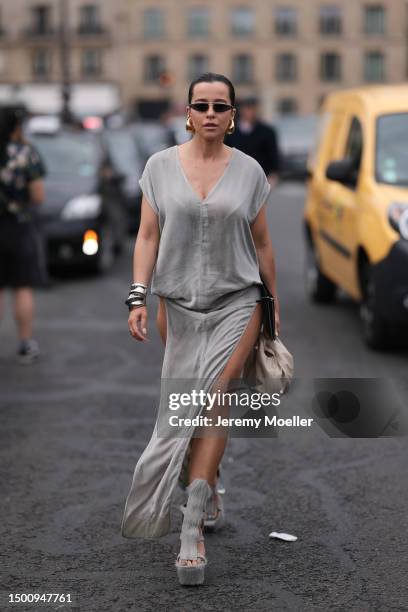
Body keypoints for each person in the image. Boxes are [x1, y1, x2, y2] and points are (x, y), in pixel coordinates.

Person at [121, 72, 280, 586]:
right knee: (188, 403)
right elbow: (148, 235)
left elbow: (262, 244)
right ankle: (209, 477)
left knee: (214, 396)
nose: (210, 114)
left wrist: (272, 310)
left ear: (233, 116)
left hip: (239, 301)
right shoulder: (159, 168)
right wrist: (139, 295)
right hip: (180, 307)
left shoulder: (251, 171)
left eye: (220, 106)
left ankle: (191, 529)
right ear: (187, 113)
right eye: (201, 105)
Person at [0, 106, 47, 364]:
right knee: (22, 287)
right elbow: (39, 195)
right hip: (18, 227)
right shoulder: (26, 153)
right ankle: (25, 345)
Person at [224, 95, 281, 188]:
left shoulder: (267, 131)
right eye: (247, 108)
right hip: (235, 179)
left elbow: (274, 155)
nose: (250, 112)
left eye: (253, 109)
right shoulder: (230, 132)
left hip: (260, 180)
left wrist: (274, 175)